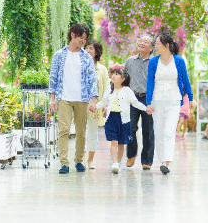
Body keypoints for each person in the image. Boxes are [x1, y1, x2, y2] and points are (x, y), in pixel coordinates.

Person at [49, 24, 99, 174]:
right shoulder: (59, 55)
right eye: (80, 37)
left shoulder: (86, 57)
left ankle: (78, 160)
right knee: (63, 130)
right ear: (72, 35)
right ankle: (64, 163)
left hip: (82, 98)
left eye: (85, 38)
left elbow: (92, 79)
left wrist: (93, 100)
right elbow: (53, 77)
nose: (83, 41)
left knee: (81, 131)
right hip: (64, 97)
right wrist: (52, 98)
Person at [145, 32, 194, 175]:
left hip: (174, 100)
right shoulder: (154, 61)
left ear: (167, 45)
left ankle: (167, 161)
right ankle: (162, 160)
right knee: (159, 132)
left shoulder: (178, 60)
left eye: (158, 44)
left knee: (169, 131)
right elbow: (150, 83)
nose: (155, 46)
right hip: (157, 100)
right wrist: (148, 102)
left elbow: (185, 80)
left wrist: (190, 98)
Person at [93, 66, 147, 174]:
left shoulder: (127, 90)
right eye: (113, 73)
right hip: (111, 119)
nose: (113, 75)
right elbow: (104, 101)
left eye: (117, 74)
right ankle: (114, 163)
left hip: (124, 120)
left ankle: (118, 162)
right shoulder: (109, 89)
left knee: (121, 143)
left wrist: (146, 109)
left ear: (123, 79)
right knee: (114, 142)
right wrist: (95, 106)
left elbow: (135, 103)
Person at [125, 34, 155, 170]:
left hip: (148, 99)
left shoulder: (155, 62)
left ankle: (147, 160)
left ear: (152, 47)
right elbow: (124, 81)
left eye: (146, 42)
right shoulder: (130, 61)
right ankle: (131, 154)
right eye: (141, 41)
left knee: (148, 131)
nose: (142, 43)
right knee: (130, 128)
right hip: (132, 98)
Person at [84, 40, 110, 169]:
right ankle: (80, 159)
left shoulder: (102, 69)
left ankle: (90, 160)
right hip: (81, 104)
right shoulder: (79, 65)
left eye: (91, 49)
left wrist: (104, 105)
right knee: (80, 133)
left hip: (95, 106)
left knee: (93, 134)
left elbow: (106, 88)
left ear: (97, 52)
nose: (88, 51)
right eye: (86, 48)